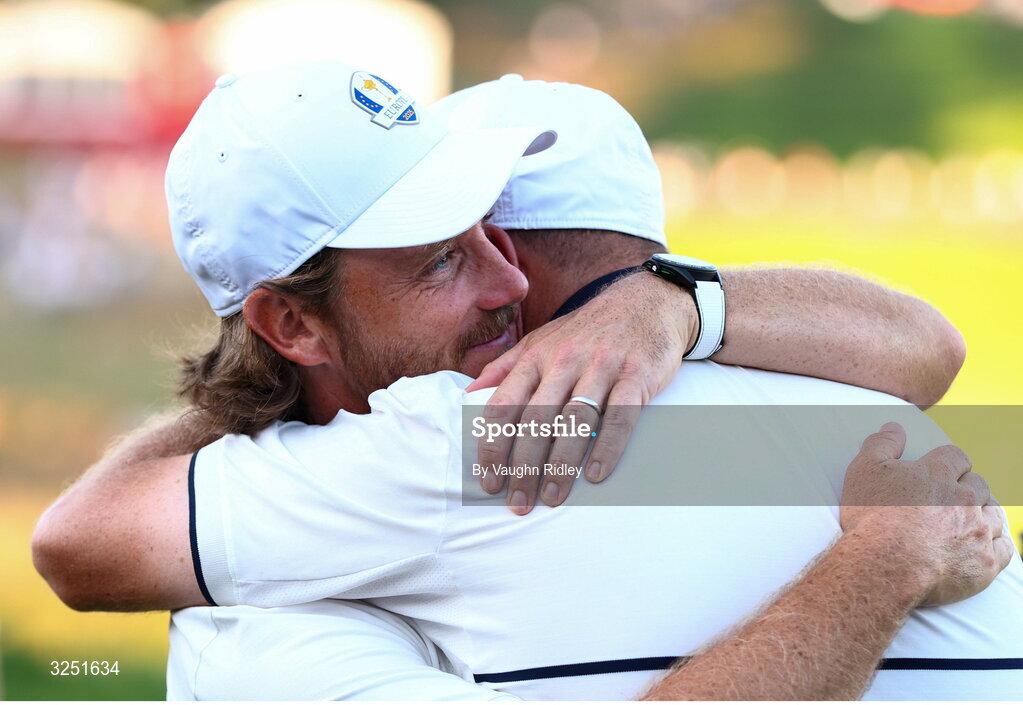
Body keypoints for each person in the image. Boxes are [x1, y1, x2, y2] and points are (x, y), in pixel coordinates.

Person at [32, 66, 1014, 700]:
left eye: (494, 238)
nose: (505, 283)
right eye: (444, 259)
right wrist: (669, 300)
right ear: (290, 323)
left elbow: (78, 545)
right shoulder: (889, 421)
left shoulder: (475, 443)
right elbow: (936, 347)